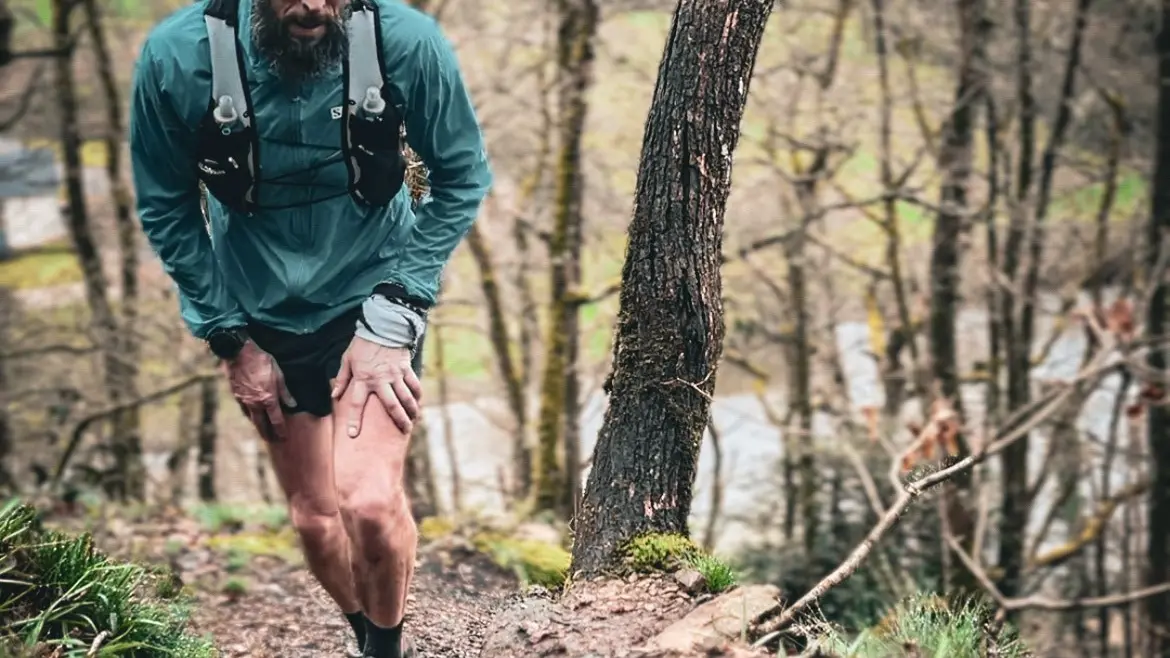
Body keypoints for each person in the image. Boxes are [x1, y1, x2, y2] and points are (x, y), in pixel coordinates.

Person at [127, 0, 492, 655]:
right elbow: (166, 205)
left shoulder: (404, 42)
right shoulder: (178, 58)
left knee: (371, 505)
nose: (314, 6)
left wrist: (397, 308)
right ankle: (364, 633)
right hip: (260, 316)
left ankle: (385, 653)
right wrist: (230, 338)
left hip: (372, 296)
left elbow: (462, 176)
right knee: (317, 522)